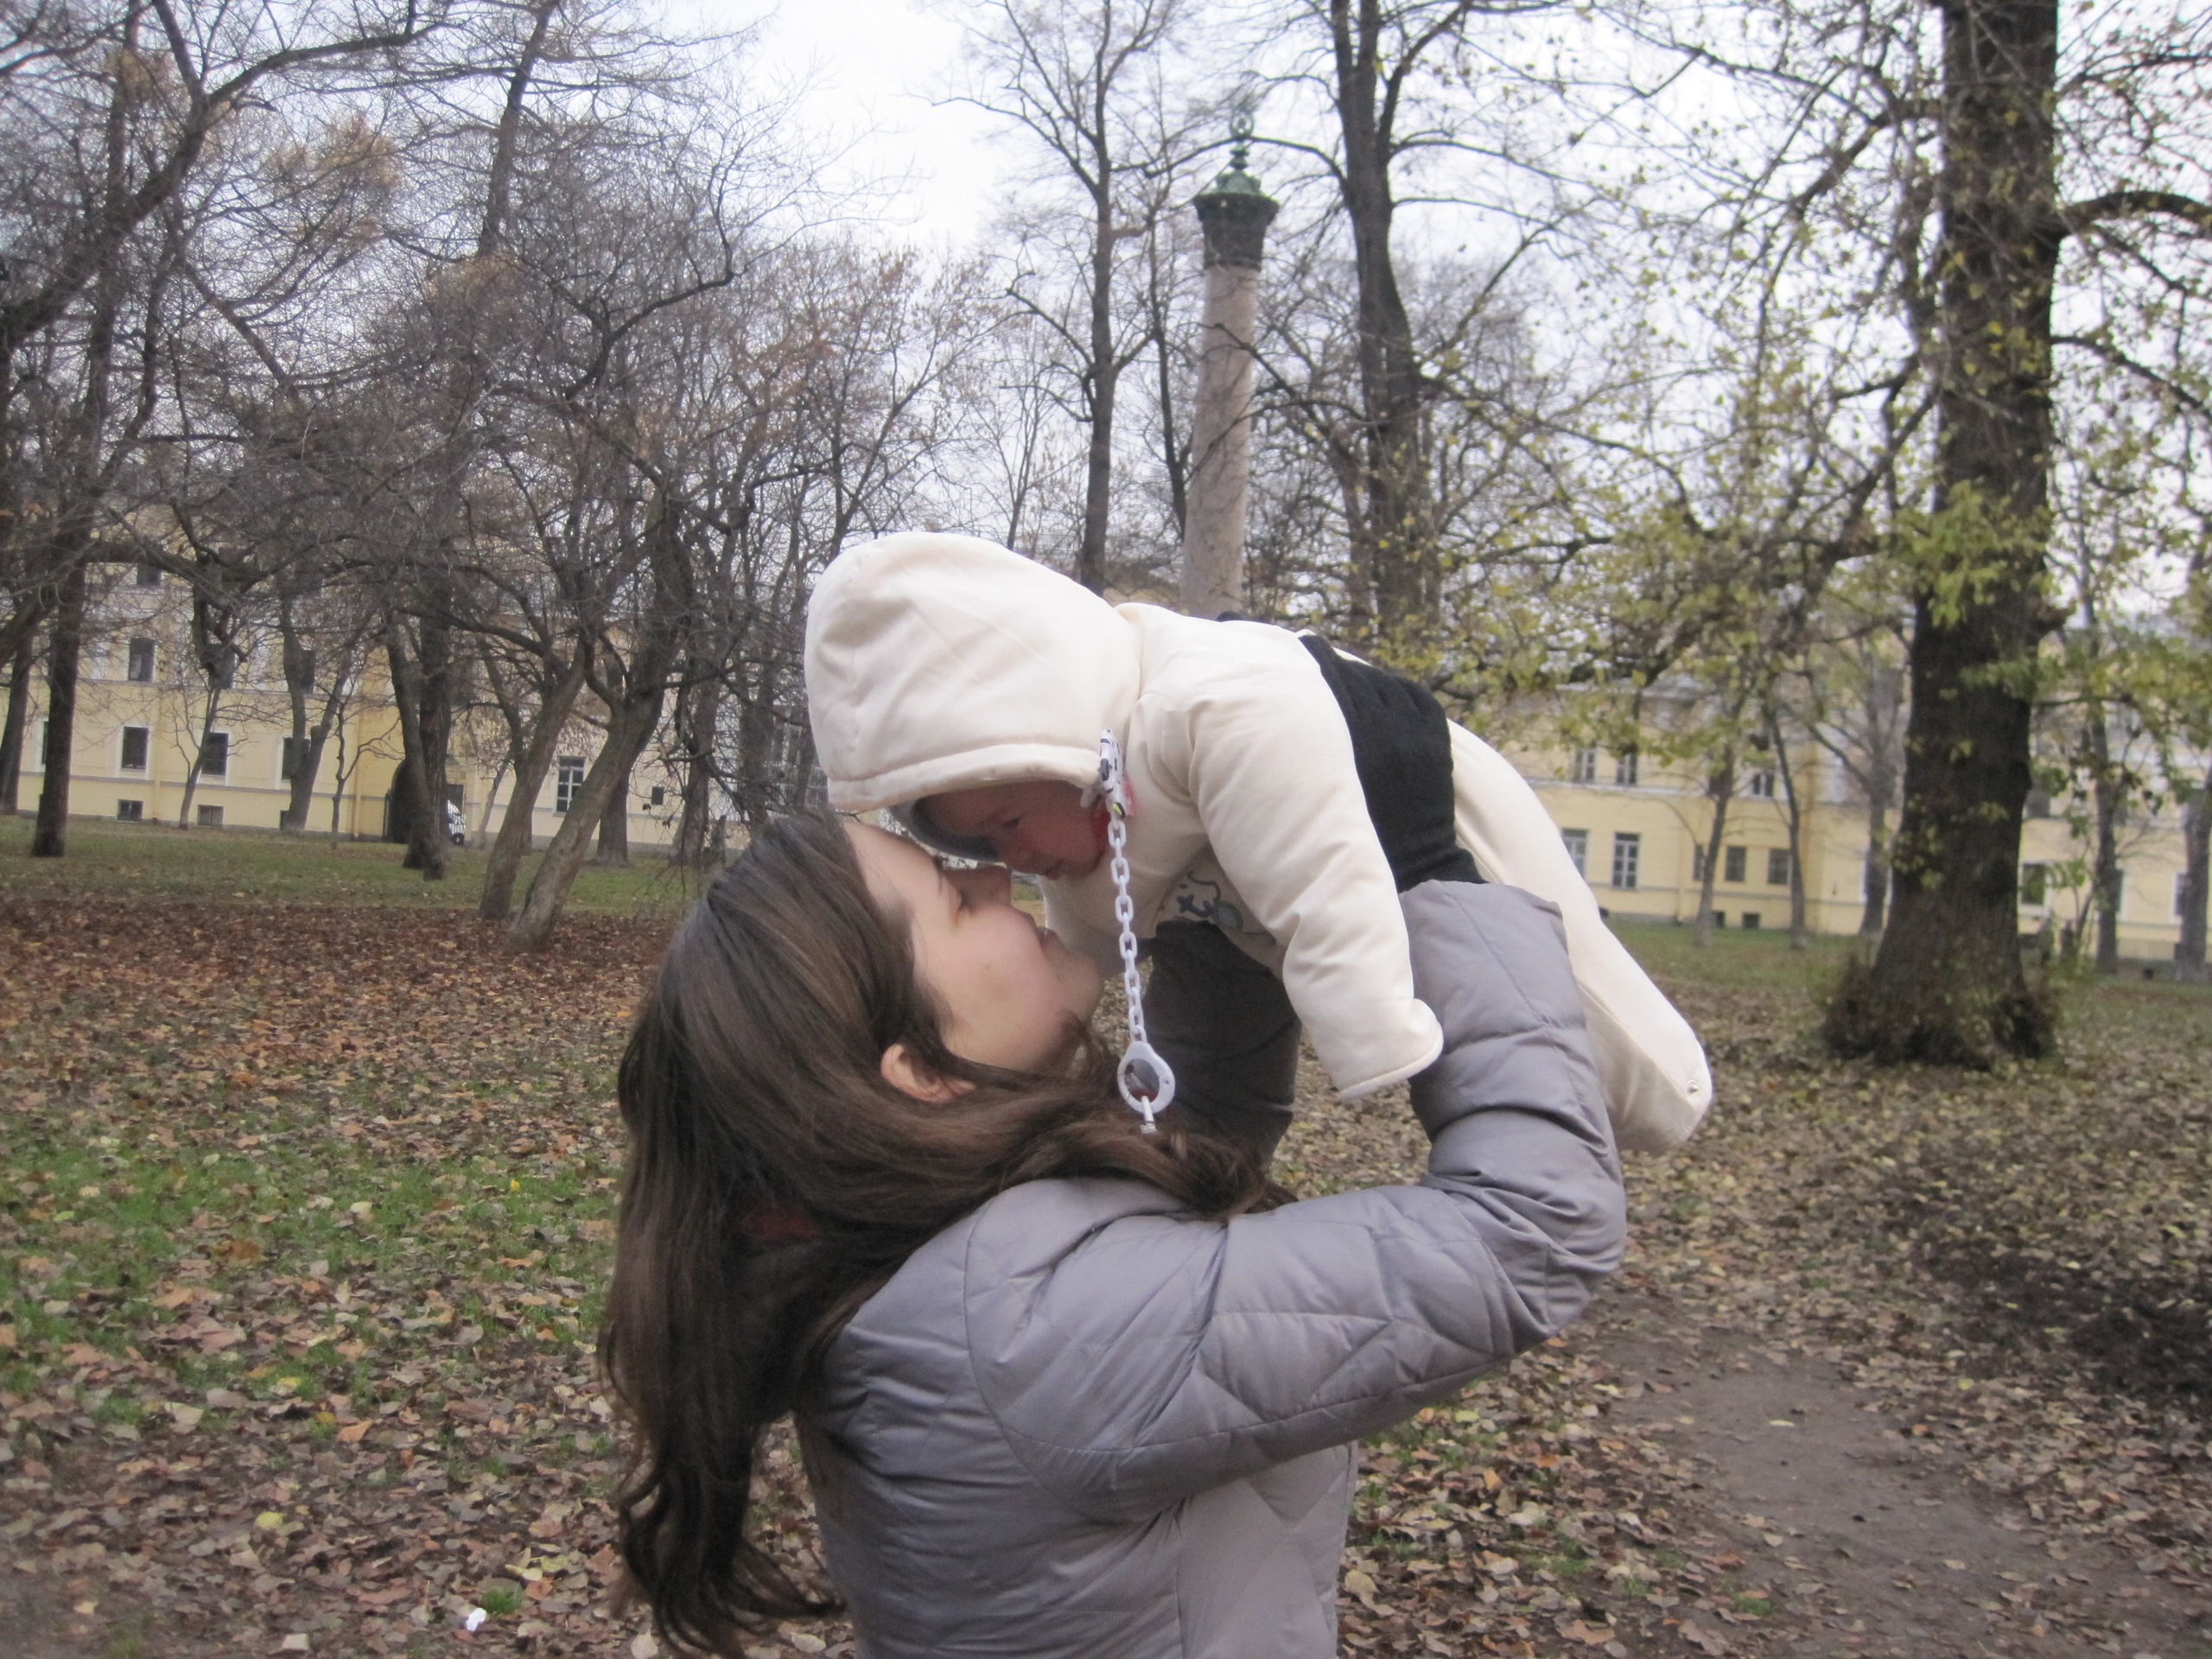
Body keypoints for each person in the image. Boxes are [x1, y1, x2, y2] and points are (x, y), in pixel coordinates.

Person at [599, 670, 1628, 1658]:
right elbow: (1530, 1229)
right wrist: (1427, 873)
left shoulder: (915, 1247)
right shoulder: (1033, 1337)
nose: (989, 871)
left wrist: (1218, 864)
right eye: (953, 899)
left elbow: (1182, 1157)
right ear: (921, 1072)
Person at [803, 530, 1710, 1154]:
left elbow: (1324, 887)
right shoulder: (1073, 818)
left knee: (1613, 1062)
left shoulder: (1215, 699)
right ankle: (1195, 1202)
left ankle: (1661, 1090)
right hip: (1215, 911)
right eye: (983, 846)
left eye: (1008, 825)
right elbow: (1088, 941)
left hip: (1390, 820)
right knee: (1205, 1104)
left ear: (1064, 744)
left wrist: (1371, 1034)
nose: (1014, 863)